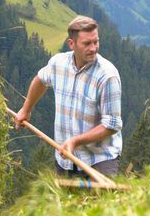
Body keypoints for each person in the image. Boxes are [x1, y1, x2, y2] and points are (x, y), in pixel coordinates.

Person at [14, 15, 122, 177]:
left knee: (100, 202)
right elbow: (40, 80)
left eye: (96, 41)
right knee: (65, 203)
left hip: (98, 161)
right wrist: (26, 108)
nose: (93, 48)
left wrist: (75, 141)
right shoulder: (58, 63)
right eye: (87, 43)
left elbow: (111, 125)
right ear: (71, 44)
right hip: (64, 161)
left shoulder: (107, 76)